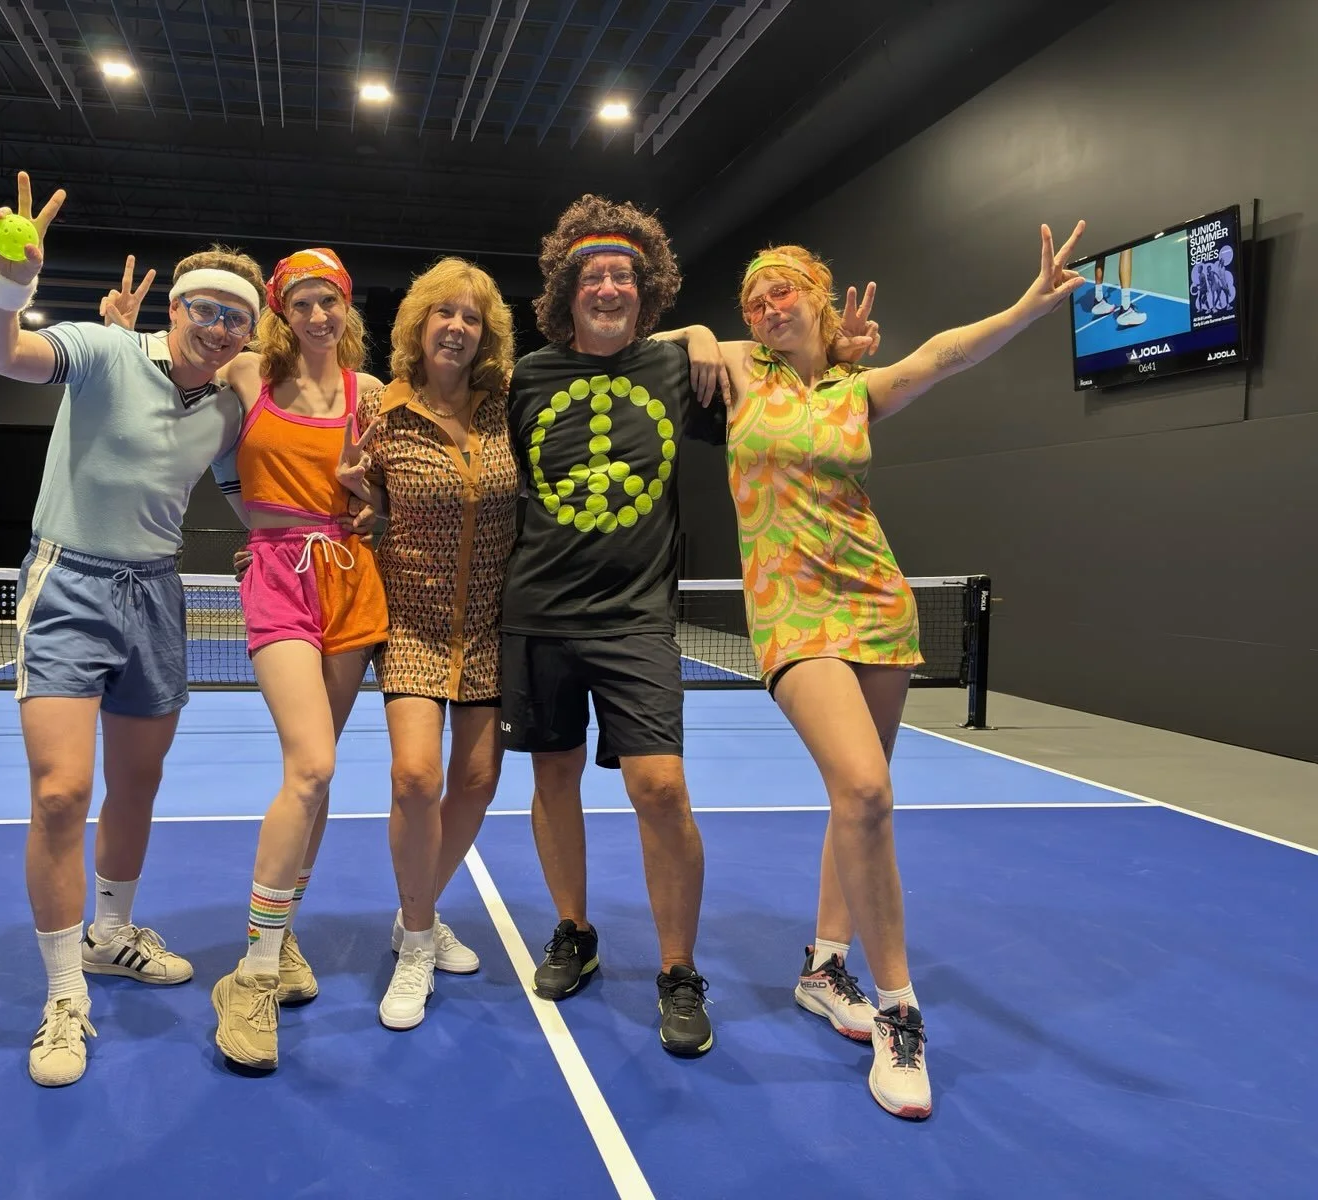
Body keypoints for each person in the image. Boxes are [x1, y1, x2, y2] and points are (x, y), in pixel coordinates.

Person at [685, 221, 1087, 1118]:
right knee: (867, 792)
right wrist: (712, 335)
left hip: (876, 600)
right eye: (754, 295)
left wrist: (1028, 304)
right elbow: (666, 341)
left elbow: (944, 357)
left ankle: (826, 969)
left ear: (820, 304)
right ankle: (903, 1012)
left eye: (785, 288)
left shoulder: (857, 392)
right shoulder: (741, 373)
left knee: (855, 803)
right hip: (791, 614)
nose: (767, 302)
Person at [0, 172, 266, 1087]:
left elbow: (252, 502)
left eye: (236, 319)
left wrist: (336, 528)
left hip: (157, 595)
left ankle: (109, 933)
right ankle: (64, 996)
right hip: (71, 585)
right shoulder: (99, 349)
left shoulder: (223, 411)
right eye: (206, 308)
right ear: (176, 307)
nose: (218, 327)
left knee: (137, 784)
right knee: (62, 793)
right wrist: (10, 276)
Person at [499, 196, 733, 1057]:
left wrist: (702, 333)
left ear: (647, 290)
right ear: (567, 288)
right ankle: (575, 930)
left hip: (636, 620)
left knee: (660, 789)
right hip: (537, 613)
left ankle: (678, 969)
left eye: (623, 274)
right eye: (593, 273)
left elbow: (777, 360)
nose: (609, 285)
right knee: (553, 781)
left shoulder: (681, 370)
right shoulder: (526, 377)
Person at [207, 248, 391, 1071]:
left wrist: (370, 499)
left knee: (318, 775)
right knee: (310, 767)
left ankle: (280, 942)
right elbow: (174, 400)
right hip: (279, 575)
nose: (318, 316)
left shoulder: (372, 396)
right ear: (283, 311)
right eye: (303, 303)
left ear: (347, 307)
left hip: (353, 578)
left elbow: (384, 508)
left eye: (330, 302)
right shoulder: (246, 374)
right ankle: (247, 977)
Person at [340, 258, 519, 1030]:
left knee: (475, 782)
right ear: (417, 326)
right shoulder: (382, 414)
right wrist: (346, 508)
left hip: (489, 625)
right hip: (410, 621)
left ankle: (417, 909)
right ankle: (418, 942)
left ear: (488, 335)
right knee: (416, 778)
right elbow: (352, 505)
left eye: (472, 316)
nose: (456, 326)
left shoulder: (507, 409)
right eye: (442, 312)